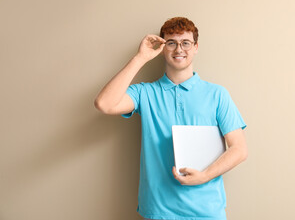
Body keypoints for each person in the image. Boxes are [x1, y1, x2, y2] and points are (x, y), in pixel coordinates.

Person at [94, 17, 248, 220]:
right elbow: (104, 103)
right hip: (158, 211)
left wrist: (205, 176)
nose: (179, 50)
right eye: (172, 43)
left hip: (207, 211)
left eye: (185, 43)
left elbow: (239, 149)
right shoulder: (145, 93)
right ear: (162, 47)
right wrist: (141, 57)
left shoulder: (217, 94)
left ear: (196, 47)